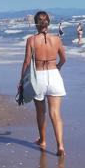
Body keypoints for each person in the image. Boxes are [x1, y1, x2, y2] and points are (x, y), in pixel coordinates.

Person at [19, 11, 66, 156]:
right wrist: (57, 67)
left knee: (41, 112)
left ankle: (43, 140)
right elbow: (63, 59)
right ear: (48, 23)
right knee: (55, 114)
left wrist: (21, 81)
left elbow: (27, 62)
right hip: (54, 76)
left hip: (38, 77)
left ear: (36, 23)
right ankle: (60, 146)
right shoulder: (57, 39)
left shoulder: (31, 40)